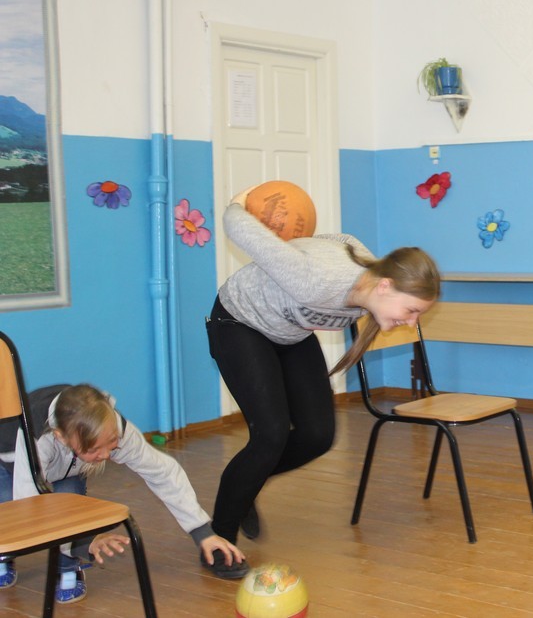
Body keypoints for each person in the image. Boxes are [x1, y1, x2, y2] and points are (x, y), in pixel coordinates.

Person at [205, 188, 440, 575]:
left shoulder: (371, 274)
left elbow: (343, 239)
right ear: (385, 287)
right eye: (411, 310)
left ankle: (244, 485)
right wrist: (239, 202)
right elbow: (239, 227)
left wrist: (306, 243)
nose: (411, 322)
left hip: (289, 333)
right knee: (270, 435)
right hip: (240, 324)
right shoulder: (315, 280)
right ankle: (220, 542)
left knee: (317, 435)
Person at [0, 384, 246, 604]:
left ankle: (67, 567)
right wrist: (86, 542)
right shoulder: (35, 440)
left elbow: (162, 473)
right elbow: (30, 506)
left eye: (112, 444)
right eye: (96, 449)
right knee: (8, 513)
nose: (107, 455)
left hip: (71, 461)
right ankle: (4, 558)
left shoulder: (107, 426)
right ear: (61, 438)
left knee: (72, 504)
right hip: (9, 459)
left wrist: (203, 533)